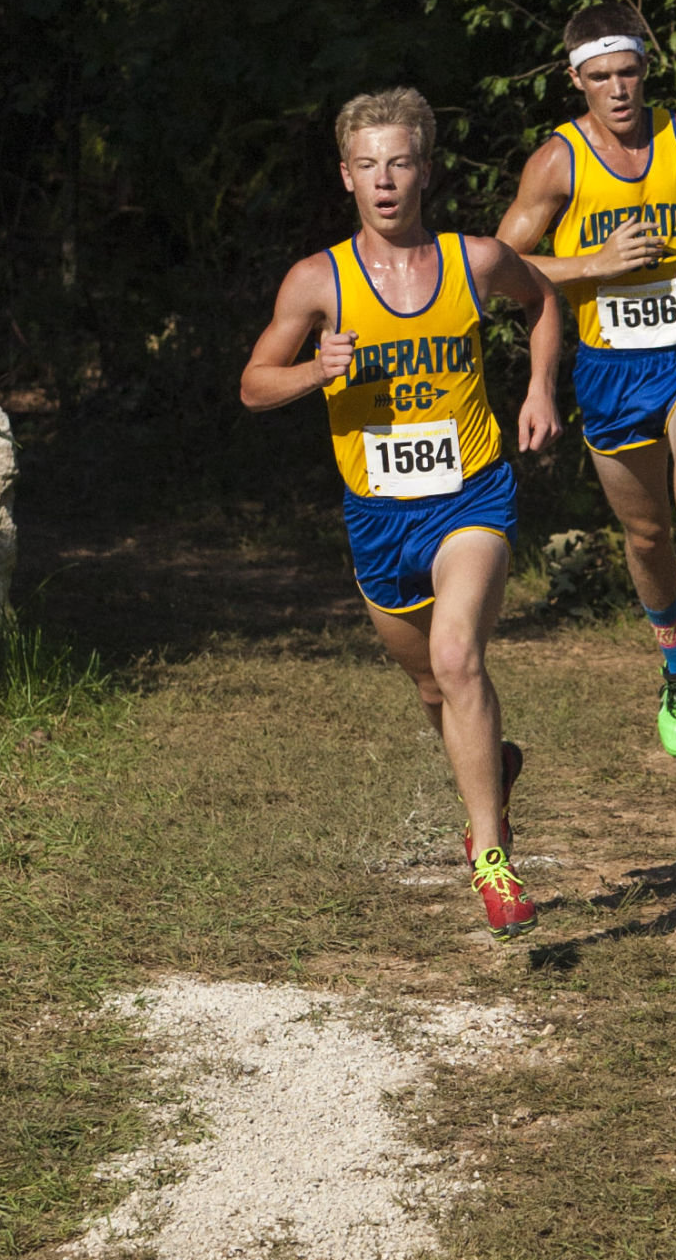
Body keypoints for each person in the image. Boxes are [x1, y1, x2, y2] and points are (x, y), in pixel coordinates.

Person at [241, 87, 563, 937]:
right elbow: (252, 385)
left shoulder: (477, 261)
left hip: (471, 494)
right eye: (368, 165)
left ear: (426, 169)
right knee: (431, 681)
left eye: (401, 162)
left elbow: (543, 301)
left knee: (459, 657)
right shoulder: (319, 281)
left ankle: (491, 858)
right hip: (379, 516)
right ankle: (489, 766)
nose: (386, 181)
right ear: (345, 177)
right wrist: (316, 370)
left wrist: (537, 390)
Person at [496, 4, 676, 782]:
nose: (618, 90)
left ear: (647, 70)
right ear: (575, 79)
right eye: (600, 76)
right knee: (647, 538)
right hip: (611, 370)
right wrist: (595, 265)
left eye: (629, 73)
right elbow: (497, 268)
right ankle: (674, 656)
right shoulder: (557, 164)